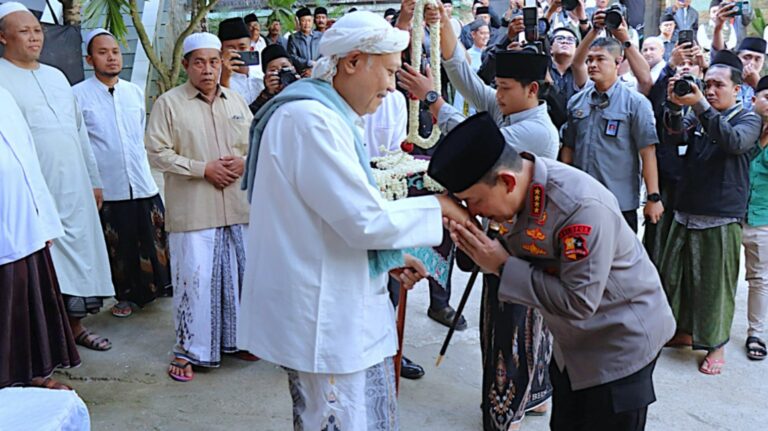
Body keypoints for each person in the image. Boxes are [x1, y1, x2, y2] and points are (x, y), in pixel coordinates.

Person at [237, 12, 465, 428]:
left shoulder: (327, 116)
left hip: (339, 302)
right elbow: (362, 220)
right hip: (324, 316)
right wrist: (441, 207)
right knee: (339, 417)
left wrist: (389, 257)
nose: (392, 86)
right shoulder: (310, 121)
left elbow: (333, 215)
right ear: (353, 62)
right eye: (391, 72)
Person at [429, 112, 676, 431]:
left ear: (506, 180)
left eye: (473, 202)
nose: (473, 211)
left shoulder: (578, 207)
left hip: (620, 342)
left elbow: (579, 302)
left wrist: (503, 266)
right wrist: (466, 228)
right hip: (571, 346)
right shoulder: (517, 192)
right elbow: (480, 259)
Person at [0, 2, 115, 352]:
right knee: (40, 266)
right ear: (3, 37)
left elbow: (79, 133)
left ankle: (75, 327)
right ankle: (46, 342)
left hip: (76, 184)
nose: (34, 37)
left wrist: (93, 179)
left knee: (80, 254)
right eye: (24, 31)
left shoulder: (56, 76)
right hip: (32, 189)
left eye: (37, 30)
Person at [145, 32, 254, 382]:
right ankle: (189, 350)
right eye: (199, 62)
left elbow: (254, 145)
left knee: (238, 277)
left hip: (236, 208)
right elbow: (156, 153)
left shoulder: (236, 101)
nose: (207, 69)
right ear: (186, 66)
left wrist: (242, 163)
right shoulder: (169, 103)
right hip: (194, 210)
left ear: (221, 63)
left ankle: (238, 340)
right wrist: (201, 168)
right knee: (195, 280)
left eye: (213, 61)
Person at [661, 49, 763, 375]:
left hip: (721, 214)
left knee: (715, 286)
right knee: (678, 279)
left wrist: (700, 106)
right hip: (686, 207)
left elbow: (733, 142)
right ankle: (686, 331)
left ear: (738, 89)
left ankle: (716, 345)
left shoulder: (749, 118)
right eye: (707, 84)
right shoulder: (699, 114)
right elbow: (674, 131)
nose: (711, 90)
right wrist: (675, 107)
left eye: (718, 85)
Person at [72, 29, 171, 318]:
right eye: (103, 52)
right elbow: (80, 142)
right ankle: (124, 297)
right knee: (119, 245)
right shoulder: (77, 95)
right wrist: (91, 182)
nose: (112, 57)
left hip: (142, 181)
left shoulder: (133, 91)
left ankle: (157, 288)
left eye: (115, 51)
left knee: (153, 237)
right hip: (108, 185)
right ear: (89, 59)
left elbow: (139, 132)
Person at [399, 2, 560, 159]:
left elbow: (475, 138)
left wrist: (432, 98)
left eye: (505, 87)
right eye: (498, 86)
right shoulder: (508, 108)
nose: (498, 94)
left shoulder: (538, 130)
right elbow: (463, 76)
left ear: (532, 90)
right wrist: (443, 22)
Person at [0, 83, 80, 391]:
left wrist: (43, 217)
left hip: (22, 218)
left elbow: (27, 157)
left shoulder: (4, 95)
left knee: (24, 298)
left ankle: (29, 374)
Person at [561, 36, 661, 233]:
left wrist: (653, 197)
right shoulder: (576, 102)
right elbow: (569, 148)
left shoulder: (635, 103)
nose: (592, 64)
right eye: (589, 60)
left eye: (600, 59)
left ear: (618, 62)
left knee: (620, 261)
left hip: (619, 203)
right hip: (581, 200)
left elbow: (647, 152)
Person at [743, 76, 768, 361]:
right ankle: (715, 333)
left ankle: (756, 333)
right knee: (721, 277)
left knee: (760, 278)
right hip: (731, 213)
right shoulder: (743, 128)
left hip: (763, 218)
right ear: (754, 99)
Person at [218, 17, 265, 104]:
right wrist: (224, 79)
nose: (237, 53)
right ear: (221, 51)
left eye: (242, 48)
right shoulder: (216, 79)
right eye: (231, 49)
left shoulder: (261, 73)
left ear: (250, 48)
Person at [713, 34, 766, 111]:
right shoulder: (725, 81)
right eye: (746, 57)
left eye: (757, 59)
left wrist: (758, 85)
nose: (751, 63)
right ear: (738, 58)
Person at [452, 19, 489, 116]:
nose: (485, 36)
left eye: (487, 33)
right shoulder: (467, 55)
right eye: (482, 33)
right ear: (473, 34)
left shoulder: (491, 55)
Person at [249, 43, 300, 113]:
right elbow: (250, 116)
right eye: (273, 70)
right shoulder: (263, 96)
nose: (280, 72)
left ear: (293, 68)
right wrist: (268, 93)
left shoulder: (305, 86)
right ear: (265, 76)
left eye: (285, 67)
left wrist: (300, 86)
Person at [287, 7, 322, 77]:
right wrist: (308, 63)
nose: (307, 24)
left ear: (312, 21)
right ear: (299, 22)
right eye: (303, 21)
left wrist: (314, 69)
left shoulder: (320, 36)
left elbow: (324, 54)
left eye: (309, 20)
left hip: (319, 72)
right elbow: (292, 56)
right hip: (302, 74)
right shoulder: (293, 38)